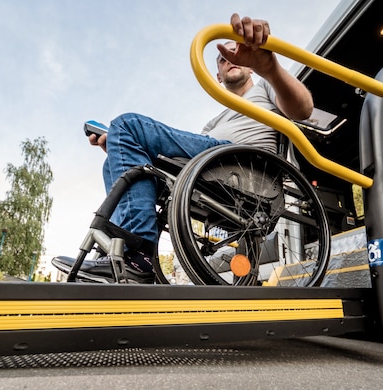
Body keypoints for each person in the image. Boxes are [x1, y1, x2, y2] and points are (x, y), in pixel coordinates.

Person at [53, 13, 314, 283]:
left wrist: (269, 69)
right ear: (218, 77)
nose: (229, 61)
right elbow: (177, 163)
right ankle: (126, 254)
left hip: (245, 165)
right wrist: (123, 150)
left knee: (127, 124)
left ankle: (137, 254)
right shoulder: (212, 122)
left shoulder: (265, 88)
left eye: (234, 56)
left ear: (249, 68)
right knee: (116, 157)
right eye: (223, 60)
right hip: (211, 168)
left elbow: (303, 109)